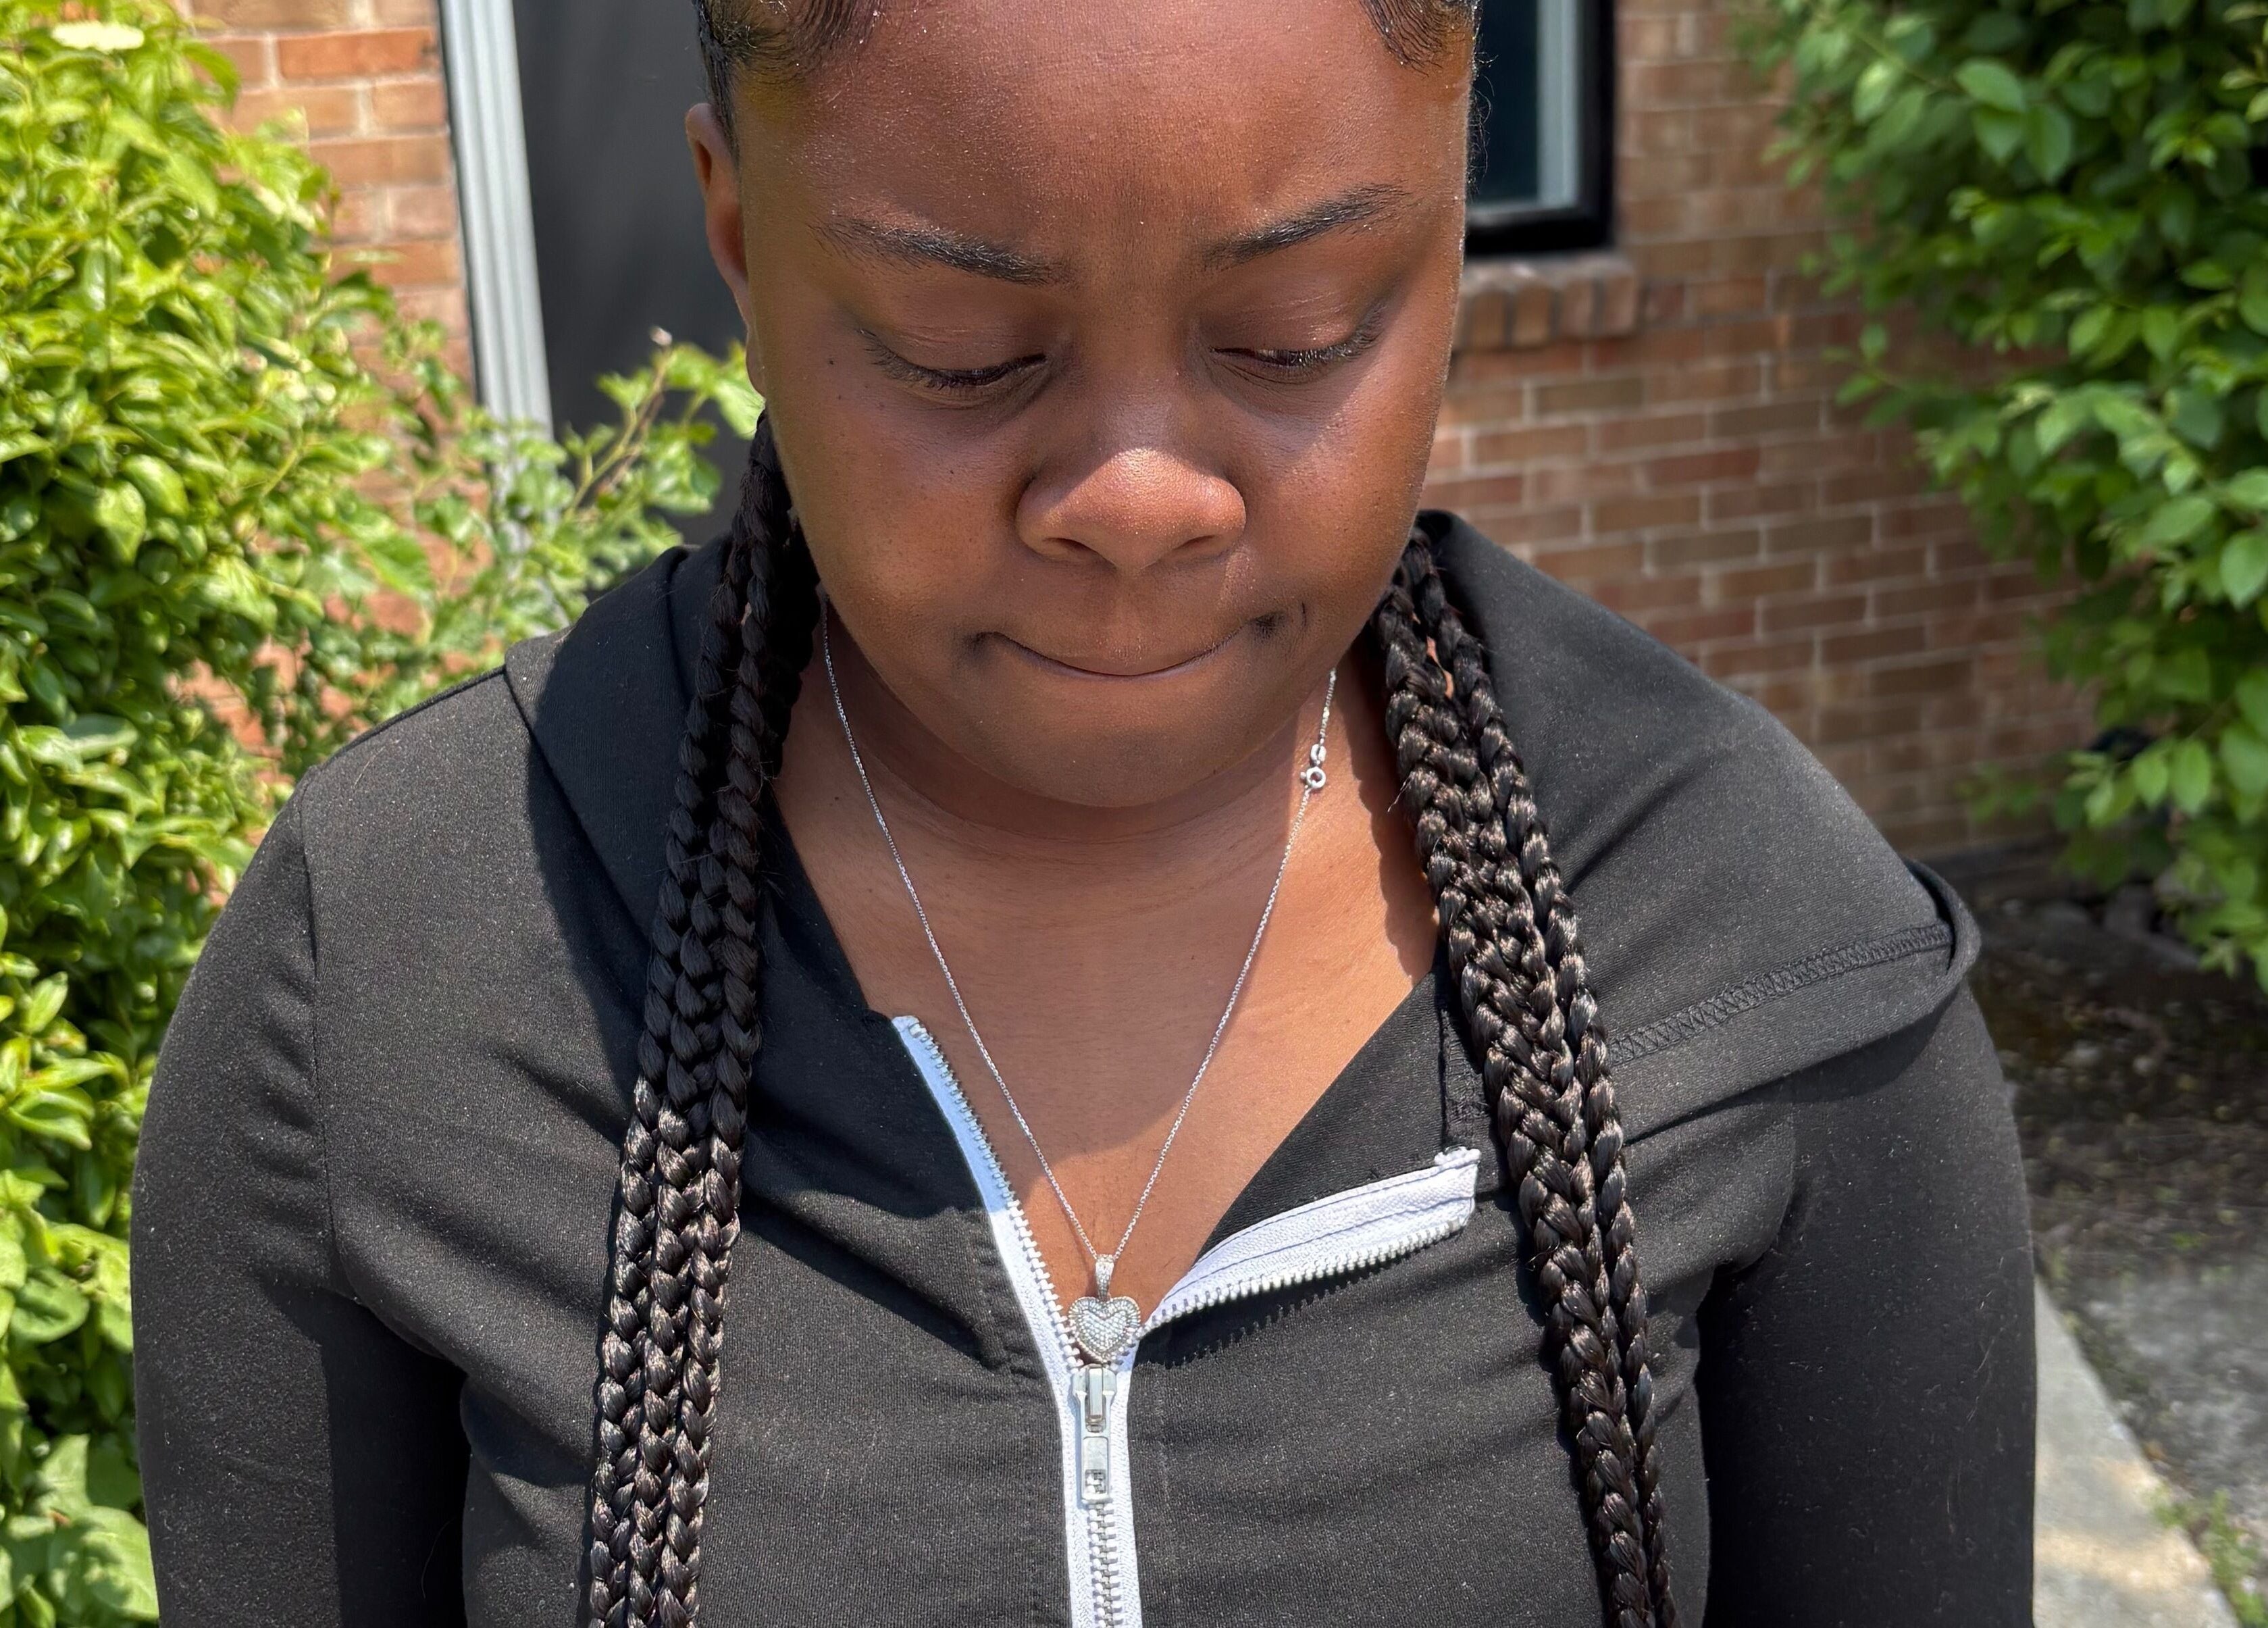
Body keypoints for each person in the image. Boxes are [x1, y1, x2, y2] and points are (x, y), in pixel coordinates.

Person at [128, 1, 2037, 1624]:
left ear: (1451, 225)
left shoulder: (1762, 952)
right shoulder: (399, 964)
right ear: (738, 233)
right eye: (960, 349)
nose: (1138, 498)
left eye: (1294, 331)